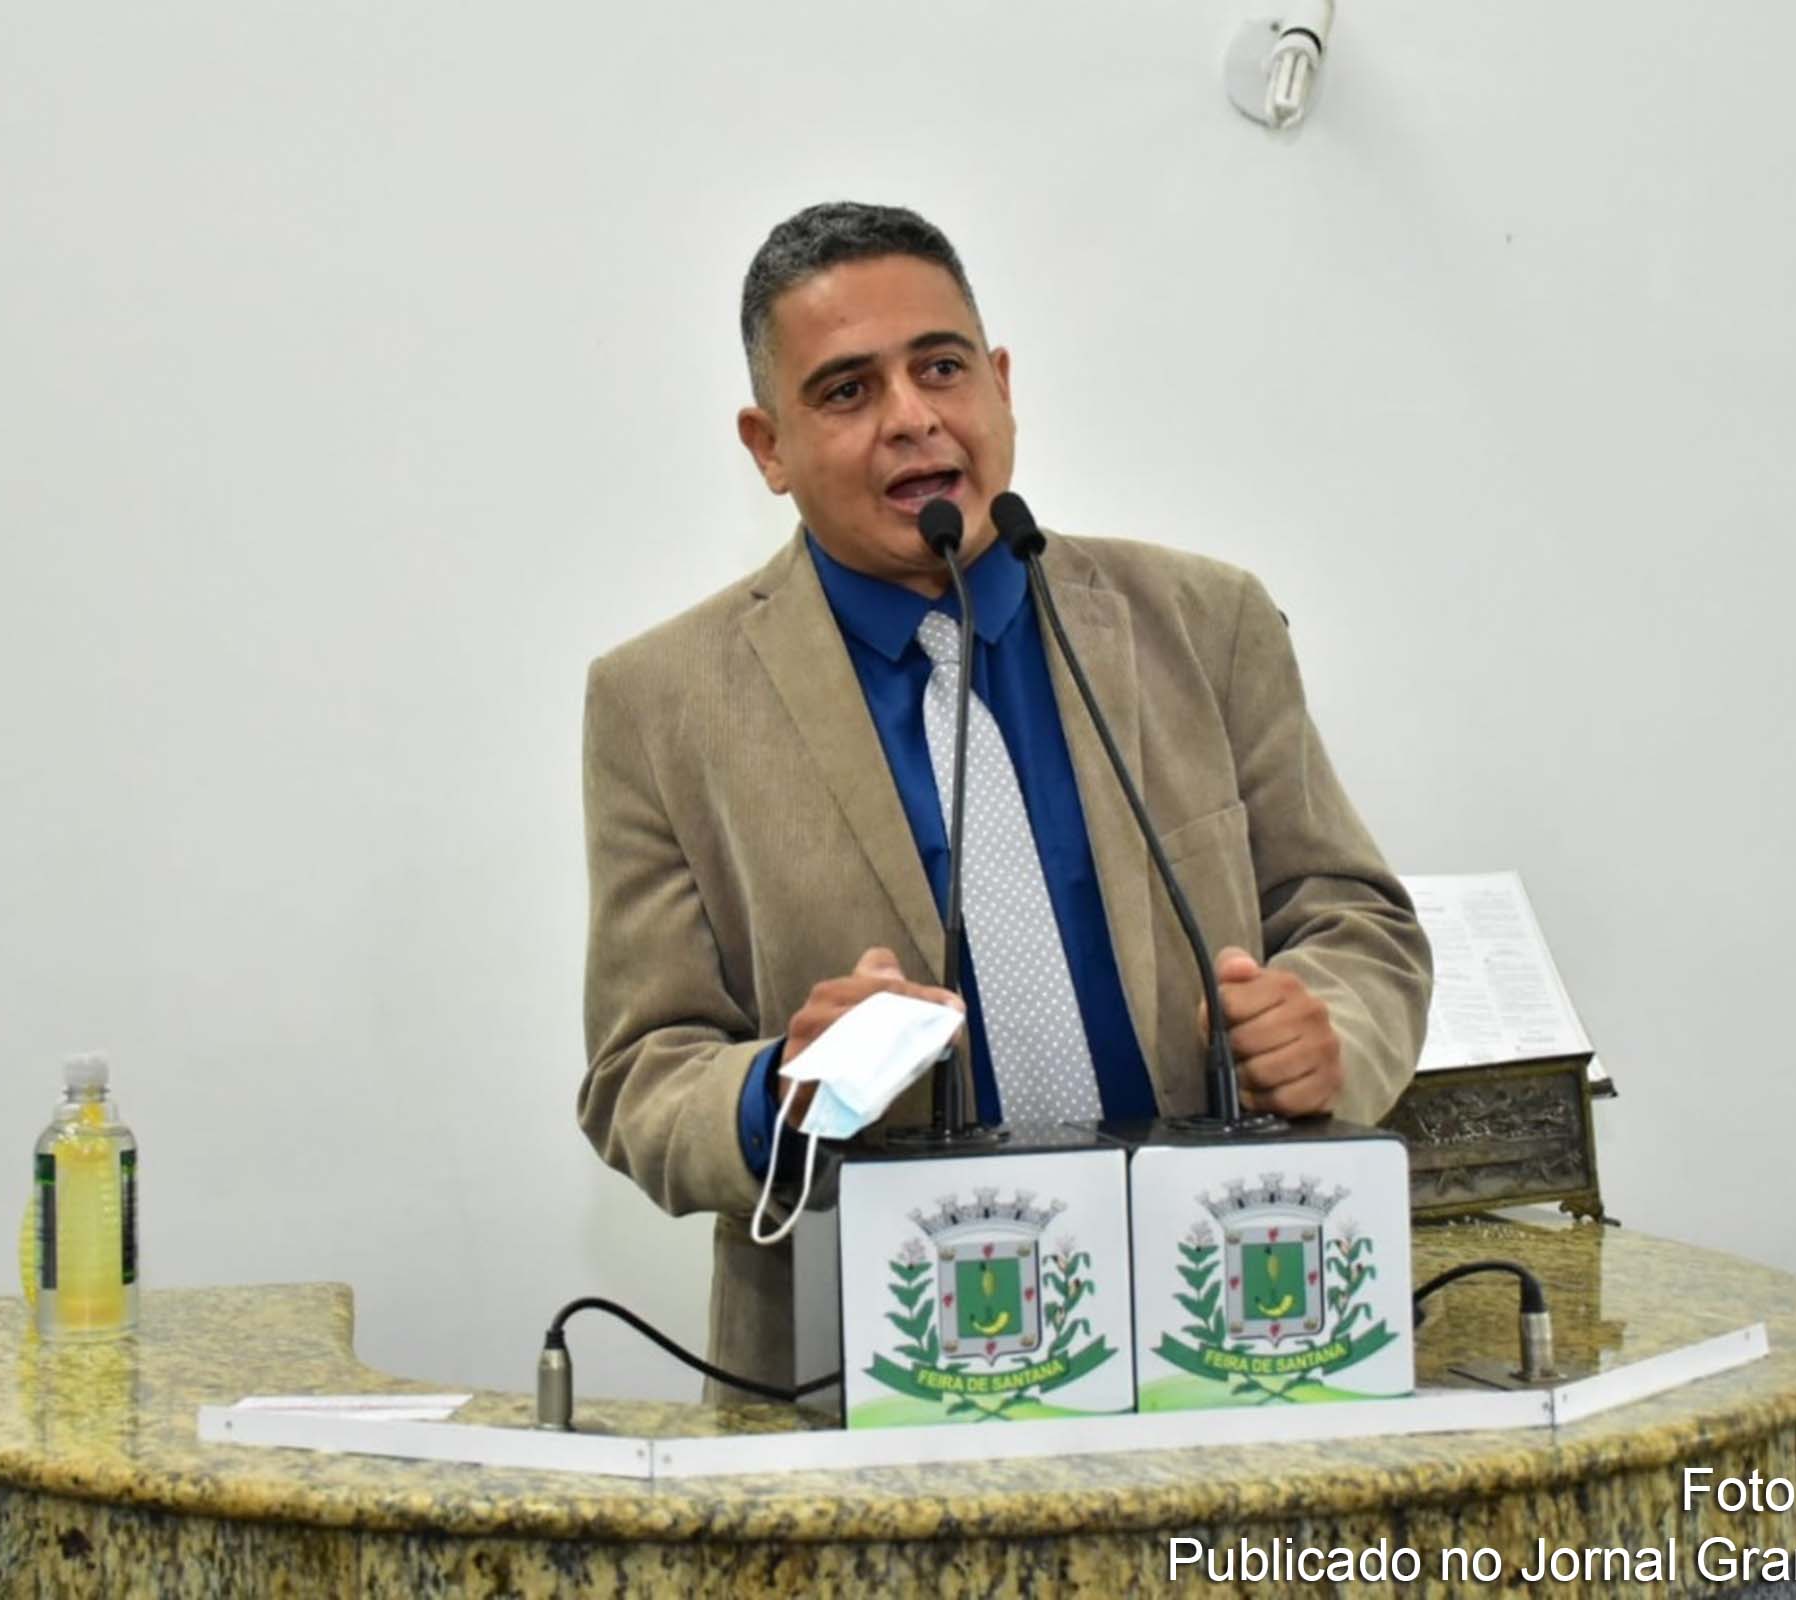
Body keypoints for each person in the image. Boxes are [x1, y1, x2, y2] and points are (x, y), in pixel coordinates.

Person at [578, 202, 1430, 1395]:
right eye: (845, 391)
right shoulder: (660, 702)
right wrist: (776, 1089)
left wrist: (1328, 1028)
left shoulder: (1203, 621)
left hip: (1230, 1331)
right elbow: (638, 1075)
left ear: (1003, 386)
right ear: (766, 447)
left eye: (941, 367)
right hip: (855, 1383)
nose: (913, 417)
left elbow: (1355, 918)